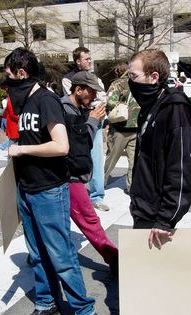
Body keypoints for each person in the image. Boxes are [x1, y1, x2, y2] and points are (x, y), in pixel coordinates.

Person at [6, 48, 101, 315]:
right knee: (37, 254)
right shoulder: (25, 102)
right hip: (27, 187)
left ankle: (84, 311)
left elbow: (61, 145)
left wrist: (22, 150)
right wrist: (20, 146)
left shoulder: (46, 100)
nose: (9, 82)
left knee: (61, 255)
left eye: (10, 75)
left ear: (22, 73)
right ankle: (46, 303)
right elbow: (36, 140)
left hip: (49, 190)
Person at [128, 49, 191, 249]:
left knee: (152, 276)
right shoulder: (152, 105)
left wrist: (167, 219)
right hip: (143, 205)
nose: (130, 81)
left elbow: (182, 168)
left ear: (154, 77)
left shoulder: (176, 109)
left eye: (134, 76)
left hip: (157, 214)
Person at [61, 71, 118, 275]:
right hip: (68, 177)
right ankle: (115, 259)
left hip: (71, 175)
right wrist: (93, 120)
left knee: (61, 224)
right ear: (78, 90)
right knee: (89, 220)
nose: (94, 97)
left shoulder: (75, 109)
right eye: (91, 92)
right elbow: (79, 145)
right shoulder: (65, 110)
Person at [62, 46, 109, 211]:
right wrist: (92, 112)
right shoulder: (69, 80)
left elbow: (103, 98)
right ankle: (78, 192)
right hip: (80, 122)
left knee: (96, 159)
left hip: (95, 120)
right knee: (78, 156)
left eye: (90, 58)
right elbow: (76, 102)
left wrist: (95, 112)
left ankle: (97, 195)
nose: (90, 61)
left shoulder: (95, 78)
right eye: (86, 59)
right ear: (77, 61)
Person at [104, 63, 140, 194]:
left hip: (120, 127)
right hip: (135, 126)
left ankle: (102, 182)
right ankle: (131, 187)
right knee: (133, 161)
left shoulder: (117, 84)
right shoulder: (138, 83)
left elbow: (111, 102)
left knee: (111, 158)